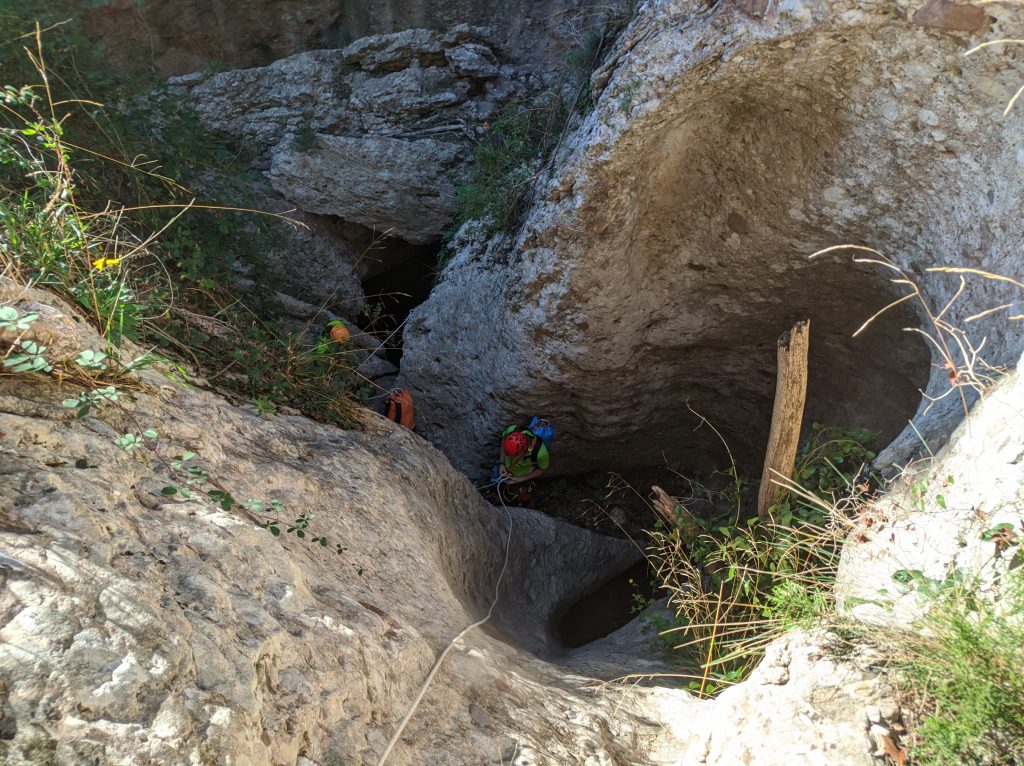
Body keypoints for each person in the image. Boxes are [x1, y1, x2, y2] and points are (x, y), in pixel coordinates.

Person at [494, 424, 550, 506]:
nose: (510, 457)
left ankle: (529, 509)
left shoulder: (540, 453)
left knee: (524, 497)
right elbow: (504, 440)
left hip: (523, 476)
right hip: (505, 468)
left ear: (524, 451)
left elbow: (542, 469)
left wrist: (520, 479)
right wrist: (502, 463)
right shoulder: (512, 430)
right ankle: (501, 499)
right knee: (500, 486)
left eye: (514, 456)